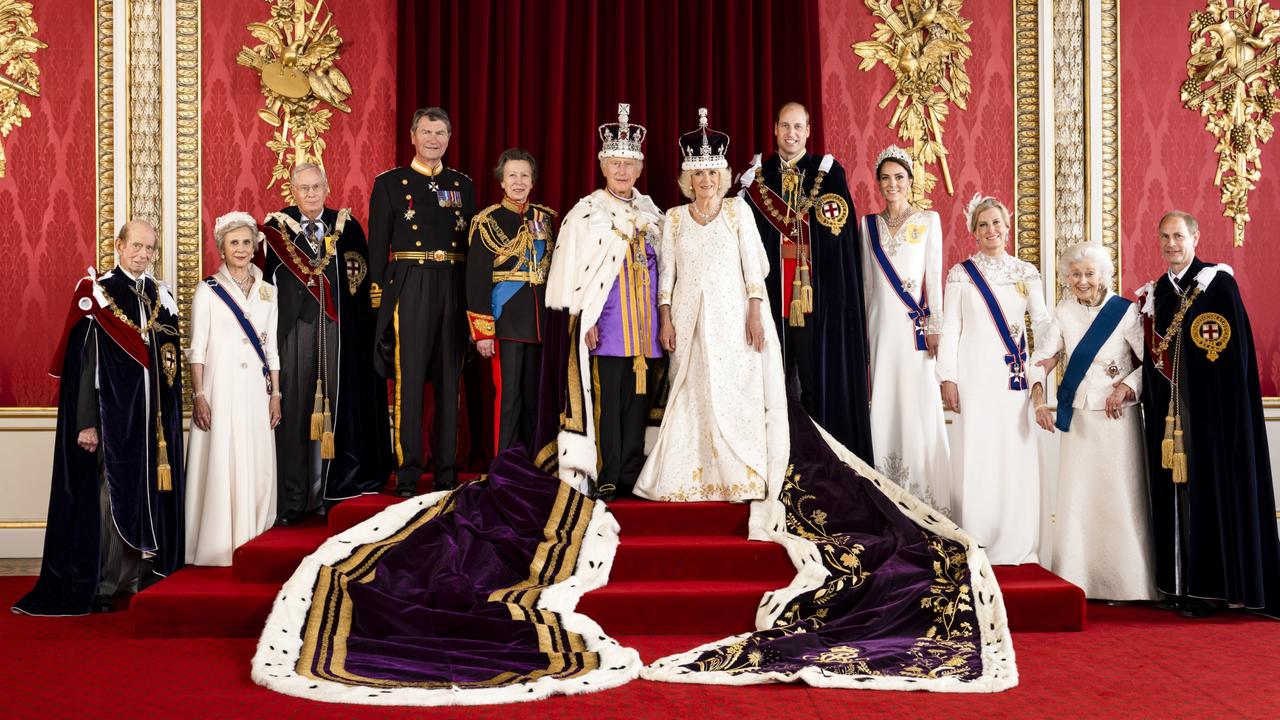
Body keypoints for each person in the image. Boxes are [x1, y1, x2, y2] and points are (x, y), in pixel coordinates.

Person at [13, 221, 185, 615]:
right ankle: (106, 584)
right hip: (113, 420)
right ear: (119, 246)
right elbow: (84, 366)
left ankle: (143, 576)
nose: (143, 255)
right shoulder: (98, 293)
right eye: (136, 246)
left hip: (152, 422)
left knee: (147, 494)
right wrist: (86, 422)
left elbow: (168, 363)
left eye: (150, 248)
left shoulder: (159, 295)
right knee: (112, 497)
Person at [633, 109, 787, 538]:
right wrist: (664, 316)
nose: (706, 180)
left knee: (733, 392)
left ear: (723, 175)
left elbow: (755, 269)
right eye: (698, 173)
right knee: (692, 391)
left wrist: (756, 310)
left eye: (713, 172)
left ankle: (737, 474)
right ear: (688, 178)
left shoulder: (738, 212)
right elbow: (667, 273)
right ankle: (686, 478)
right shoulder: (675, 217)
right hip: (687, 318)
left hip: (734, 317)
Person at [1137, 210, 1280, 618]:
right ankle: (1176, 585)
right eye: (1164, 237)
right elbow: (1152, 360)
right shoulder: (1156, 294)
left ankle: (1211, 590)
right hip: (1167, 420)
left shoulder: (1218, 285)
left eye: (1178, 236)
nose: (1171, 244)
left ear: (1195, 237)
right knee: (1172, 496)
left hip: (1213, 420)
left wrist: (1216, 411)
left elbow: (1235, 360)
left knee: (1208, 495)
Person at [739, 101, 872, 459]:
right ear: (775, 130)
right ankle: (775, 457)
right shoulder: (757, 179)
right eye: (785, 126)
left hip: (815, 298)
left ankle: (816, 457)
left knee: (814, 381)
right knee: (773, 382)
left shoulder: (827, 174)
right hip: (771, 297)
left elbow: (838, 238)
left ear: (808, 131)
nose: (791, 134)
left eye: (798, 127)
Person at [546, 102, 664, 501]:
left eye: (628, 164)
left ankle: (632, 472)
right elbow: (573, 273)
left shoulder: (653, 214)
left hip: (646, 331)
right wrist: (585, 319)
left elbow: (669, 272)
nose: (621, 171)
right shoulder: (587, 213)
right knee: (607, 404)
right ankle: (607, 472)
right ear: (602, 166)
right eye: (614, 163)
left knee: (638, 404)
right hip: (608, 326)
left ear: (639, 169)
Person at [262, 163, 390, 524]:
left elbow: (361, 287)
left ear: (327, 187)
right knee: (298, 410)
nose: (311, 194)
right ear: (293, 192)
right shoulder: (276, 228)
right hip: (295, 332)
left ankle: (333, 490)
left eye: (316, 186)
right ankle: (293, 498)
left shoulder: (347, 228)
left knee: (336, 408)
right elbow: (265, 287)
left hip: (338, 332)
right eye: (303, 188)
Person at [1028, 243, 1155, 601]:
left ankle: (1129, 584)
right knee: (1081, 498)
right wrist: (1039, 400)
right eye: (1075, 274)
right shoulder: (1064, 311)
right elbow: (1043, 358)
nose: (1083, 281)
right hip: (1082, 417)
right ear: (1067, 278)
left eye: (1089, 273)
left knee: (1119, 495)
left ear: (1103, 275)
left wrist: (1128, 388)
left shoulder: (1126, 311)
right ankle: (1081, 579)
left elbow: (1152, 364)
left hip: (1118, 419)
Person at [368, 107, 476, 497]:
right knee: (409, 382)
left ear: (449, 138)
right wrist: (380, 302)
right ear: (412, 136)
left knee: (450, 381)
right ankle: (409, 474)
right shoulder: (390, 184)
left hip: (452, 283)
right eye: (427, 132)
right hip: (409, 284)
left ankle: (447, 472)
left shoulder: (462, 185)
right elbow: (377, 248)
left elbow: (472, 249)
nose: (434, 139)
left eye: (441, 133)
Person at [936, 195, 1048, 565]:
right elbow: (950, 328)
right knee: (979, 455)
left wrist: (1045, 362)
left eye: (997, 223)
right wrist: (947, 377)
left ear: (1008, 225)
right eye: (983, 224)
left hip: (1013, 381)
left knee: (1013, 454)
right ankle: (978, 535)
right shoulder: (961, 273)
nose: (991, 230)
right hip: (974, 377)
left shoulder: (1026, 272)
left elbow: (1044, 323)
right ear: (973, 231)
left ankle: (1016, 538)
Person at [858, 145, 951, 516]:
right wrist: (864, 332)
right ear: (878, 183)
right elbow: (867, 284)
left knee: (916, 402)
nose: (892, 184)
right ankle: (886, 488)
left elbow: (935, 280)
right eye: (885, 178)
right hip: (881, 329)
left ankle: (924, 495)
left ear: (911, 182)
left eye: (899, 177)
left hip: (915, 332)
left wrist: (936, 327)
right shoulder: (867, 225)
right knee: (883, 398)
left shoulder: (928, 221)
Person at [186, 212, 282, 565]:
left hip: (256, 391)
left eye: (246, 242)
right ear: (222, 249)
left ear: (256, 245)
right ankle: (216, 545)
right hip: (220, 386)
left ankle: (253, 541)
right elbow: (197, 347)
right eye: (233, 243)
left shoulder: (268, 292)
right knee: (223, 458)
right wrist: (199, 395)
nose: (241, 249)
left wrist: (276, 394)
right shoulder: (207, 290)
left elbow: (271, 348)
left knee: (255, 459)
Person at [466, 148, 557, 454]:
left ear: (532, 182)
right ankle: (504, 466)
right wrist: (483, 331)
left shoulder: (544, 219)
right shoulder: (486, 221)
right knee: (509, 399)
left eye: (524, 176)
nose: (518, 182)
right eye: (512, 176)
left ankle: (534, 462)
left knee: (535, 399)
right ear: (501, 182)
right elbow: (476, 279)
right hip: (504, 322)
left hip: (539, 323)